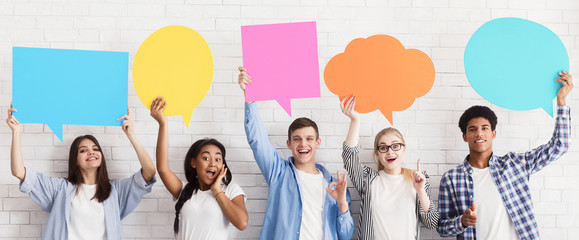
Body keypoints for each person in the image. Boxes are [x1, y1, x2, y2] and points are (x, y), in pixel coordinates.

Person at [437, 71, 573, 240]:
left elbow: (560, 145)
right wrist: (462, 222)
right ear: (465, 136)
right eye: (472, 129)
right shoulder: (451, 178)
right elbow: (441, 228)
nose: (479, 133)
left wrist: (561, 101)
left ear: (493, 133)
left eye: (485, 128)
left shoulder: (515, 165)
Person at [7, 105, 156, 240]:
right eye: (83, 150)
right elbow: (19, 171)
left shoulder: (115, 191)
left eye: (95, 149)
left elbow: (149, 172)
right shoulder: (60, 189)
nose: (91, 152)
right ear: (76, 160)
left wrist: (131, 135)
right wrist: (16, 132)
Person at [238, 66, 354, 240]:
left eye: (309, 138)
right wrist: (250, 100)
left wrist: (342, 204)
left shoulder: (334, 185)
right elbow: (258, 141)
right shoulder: (279, 173)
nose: (303, 144)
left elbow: (346, 235)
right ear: (289, 144)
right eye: (297, 139)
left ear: (317, 143)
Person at [340, 96, 439, 240]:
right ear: (377, 154)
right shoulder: (369, 179)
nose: (390, 151)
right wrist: (355, 120)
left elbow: (432, 223)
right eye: (383, 147)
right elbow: (349, 157)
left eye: (395, 146)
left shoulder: (418, 180)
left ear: (403, 149)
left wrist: (421, 191)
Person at [150, 97, 248, 240]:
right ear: (194, 163)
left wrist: (217, 191)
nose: (213, 163)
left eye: (218, 159)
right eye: (206, 158)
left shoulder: (231, 190)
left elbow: (242, 223)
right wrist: (163, 123)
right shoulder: (184, 191)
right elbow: (162, 168)